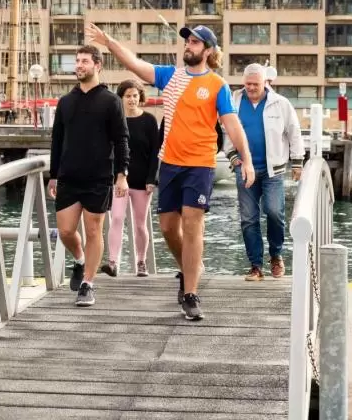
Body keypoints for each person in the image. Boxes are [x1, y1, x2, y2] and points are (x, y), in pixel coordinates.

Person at [86, 21, 254, 321]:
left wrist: (247, 159)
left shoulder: (217, 85)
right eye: (187, 41)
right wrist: (108, 42)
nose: (188, 45)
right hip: (171, 163)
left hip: (201, 164)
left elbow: (231, 123)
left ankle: (190, 293)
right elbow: (136, 65)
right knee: (167, 228)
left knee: (192, 224)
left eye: (195, 42)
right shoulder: (172, 77)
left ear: (208, 51)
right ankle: (191, 267)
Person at [48, 45, 130, 308]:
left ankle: (88, 284)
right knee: (65, 230)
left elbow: (121, 140)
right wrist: (53, 176)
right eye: (77, 61)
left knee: (94, 229)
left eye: (84, 61)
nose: (79, 65)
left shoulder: (110, 101)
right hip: (69, 176)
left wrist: (122, 174)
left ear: (98, 65)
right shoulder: (66, 102)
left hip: (99, 177)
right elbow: (57, 141)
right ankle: (80, 259)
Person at [222, 64, 305, 280]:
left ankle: (276, 255)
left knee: (275, 212)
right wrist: (233, 157)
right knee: (249, 218)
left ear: (265, 82)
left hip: (273, 170)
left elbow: (294, 132)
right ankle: (256, 266)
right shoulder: (234, 101)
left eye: (255, 84)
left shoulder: (281, 104)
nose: (250, 88)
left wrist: (297, 162)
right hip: (245, 169)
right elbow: (226, 131)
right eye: (247, 84)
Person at [101, 79, 160, 278]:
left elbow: (155, 153)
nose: (132, 99)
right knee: (116, 218)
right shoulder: (115, 121)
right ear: (121, 98)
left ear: (140, 97)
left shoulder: (150, 121)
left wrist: (152, 178)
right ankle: (113, 262)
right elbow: (109, 150)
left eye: (135, 95)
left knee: (140, 224)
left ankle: (141, 262)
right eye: (128, 96)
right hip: (119, 179)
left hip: (143, 181)